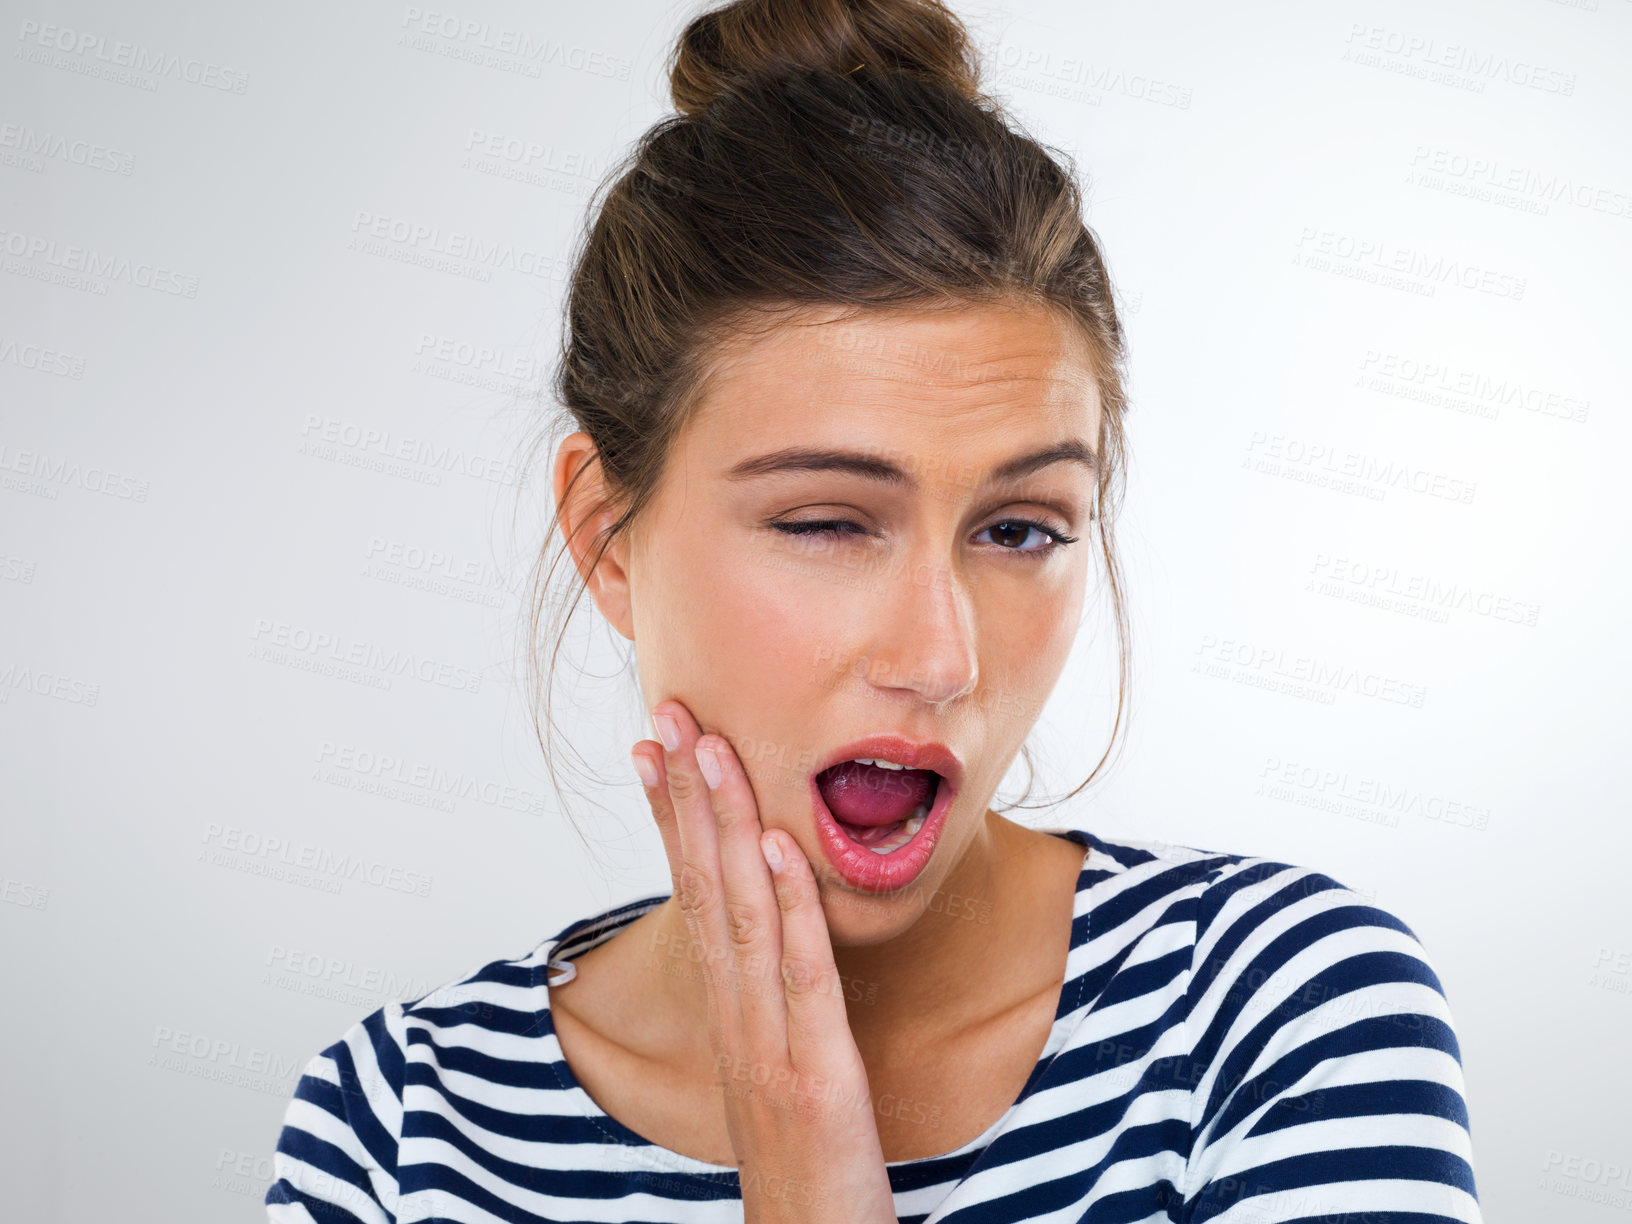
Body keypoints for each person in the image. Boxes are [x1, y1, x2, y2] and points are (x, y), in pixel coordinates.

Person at [265, 0, 1481, 1219]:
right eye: (827, 523)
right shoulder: (401, 1128)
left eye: (1020, 530)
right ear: (606, 538)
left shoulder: (1274, 1014)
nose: (940, 656)